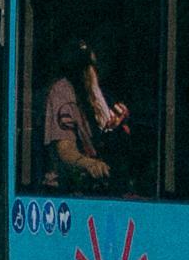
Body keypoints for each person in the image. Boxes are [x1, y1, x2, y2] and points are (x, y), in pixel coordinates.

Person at [41, 39, 131, 188]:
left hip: (106, 187)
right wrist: (90, 164)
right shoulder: (62, 92)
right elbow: (65, 150)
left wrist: (116, 128)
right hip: (67, 191)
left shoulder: (105, 94)